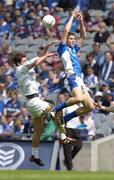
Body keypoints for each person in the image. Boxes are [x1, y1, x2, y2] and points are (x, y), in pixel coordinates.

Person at [13, 46, 74, 167]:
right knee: (57, 111)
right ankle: (63, 136)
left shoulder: (25, 67)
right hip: (34, 101)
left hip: (32, 102)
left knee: (38, 130)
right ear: (18, 63)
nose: (26, 61)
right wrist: (45, 57)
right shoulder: (20, 69)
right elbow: (36, 61)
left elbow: (36, 59)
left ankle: (34, 155)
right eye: (24, 60)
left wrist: (46, 48)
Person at [49, 9, 95, 122]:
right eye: (71, 38)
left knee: (90, 107)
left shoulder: (74, 48)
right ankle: (55, 109)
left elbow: (83, 37)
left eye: (74, 39)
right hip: (71, 77)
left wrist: (81, 21)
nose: (73, 40)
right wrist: (72, 16)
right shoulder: (62, 48)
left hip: (79, 79)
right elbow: (65, 30)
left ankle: (65, 119)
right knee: (78, 98)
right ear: (66, 40)